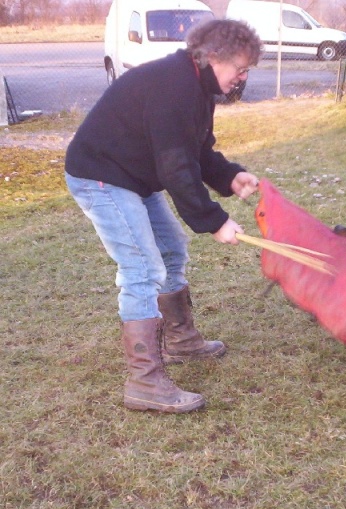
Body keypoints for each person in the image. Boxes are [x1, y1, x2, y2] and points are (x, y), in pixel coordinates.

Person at [65, 20, 262, 413]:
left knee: (171, 250)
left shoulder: (198, 87)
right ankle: (144, 382)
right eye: (240, 68)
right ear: (212, 57)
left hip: (133, 177)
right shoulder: (174, 85)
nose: (242, 78)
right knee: (142, 268)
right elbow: (175, 167)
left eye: (247, 71)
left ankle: (181, 341)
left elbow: (197, 151)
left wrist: (229, 175)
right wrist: (214, 220)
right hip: (100, 175)